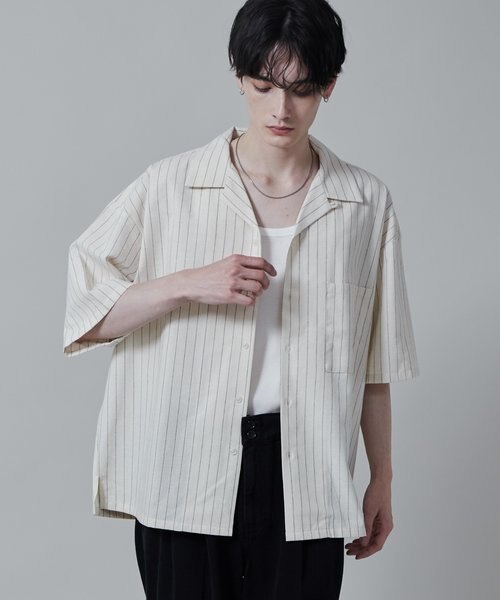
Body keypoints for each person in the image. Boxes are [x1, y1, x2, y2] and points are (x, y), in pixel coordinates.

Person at [63, 0, 420, 598]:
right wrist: (187, 283)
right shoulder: (169, 186)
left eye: (301, 90)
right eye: (264, 86)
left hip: (307, 473)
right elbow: (87, 314)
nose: (281, 109)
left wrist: (381, 477)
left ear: (329, 87)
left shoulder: (365, 204)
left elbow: (374, 365)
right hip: (184, 464)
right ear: (239, 77)